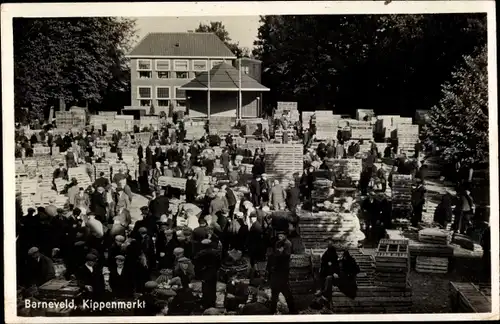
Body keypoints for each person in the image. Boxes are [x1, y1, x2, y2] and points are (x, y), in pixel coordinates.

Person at [268, 231, 297, 314]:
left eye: (281, 236)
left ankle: (273, 311)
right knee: (281, 295)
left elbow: (286, 256)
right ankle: (292, 311)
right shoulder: (280, 256)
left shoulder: (287, 245)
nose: (280, 237)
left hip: (280, 277)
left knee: (279, 295)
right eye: (279, 236)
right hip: (280, 278)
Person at [193, 239, 221, 310]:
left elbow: (196, 264)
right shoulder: (216, 252)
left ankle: (205, 303)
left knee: (205, 288)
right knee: (213, 287)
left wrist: (198, 274)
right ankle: (212, 302)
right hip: (213, 272)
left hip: (204, 272)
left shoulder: (200, 253)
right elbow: (219, 263)